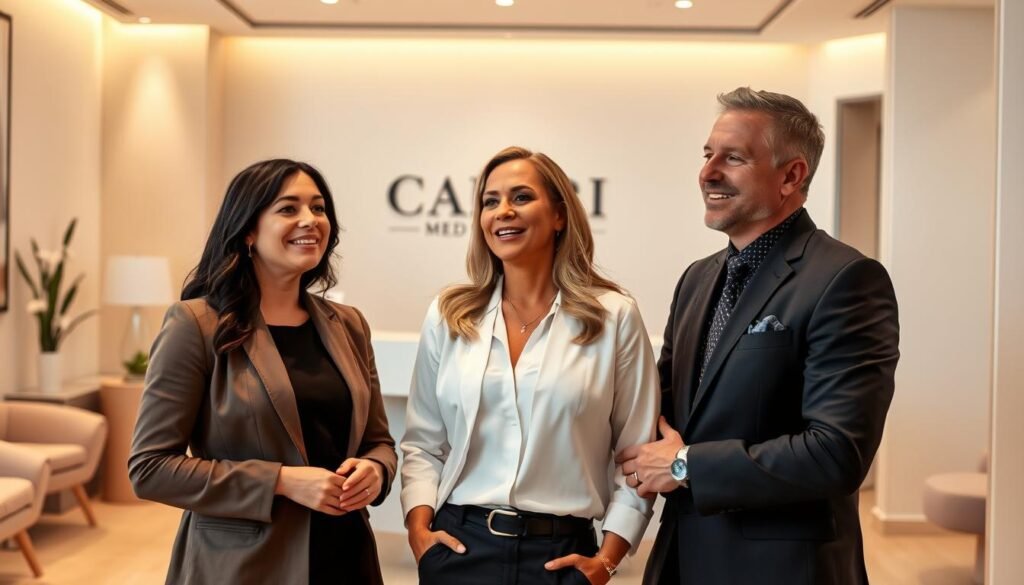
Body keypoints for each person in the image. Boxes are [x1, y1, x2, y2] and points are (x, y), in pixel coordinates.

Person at [617, 88, 900, 585]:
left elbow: (836, 453)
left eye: (734, 158)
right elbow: (659, 410)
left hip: (782, 570)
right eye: (707, 154)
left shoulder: (847, 279)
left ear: (791, 176)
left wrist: (685, 466)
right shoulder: (698, 278)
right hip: (683, 559)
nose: (708, 173)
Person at [129, 159, 397, 585]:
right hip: (243, 565)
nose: (310, 220)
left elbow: (378, 442)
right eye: (288, 208)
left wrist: (377, 470)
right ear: (247, 231)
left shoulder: (349, 325)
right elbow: (150, 468)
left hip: (346, 555)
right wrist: (281, 482)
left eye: (319, 208)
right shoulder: (195, 324)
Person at [401, 146, 659, 585]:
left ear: (559, 215)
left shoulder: (613, 316)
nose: (503, 211)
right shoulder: (450, 315)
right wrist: (419, 533)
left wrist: (607, 560)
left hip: (562, 558)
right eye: (490, 201)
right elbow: (423, 443)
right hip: (459, 549)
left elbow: (636, 453)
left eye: (521, 197)